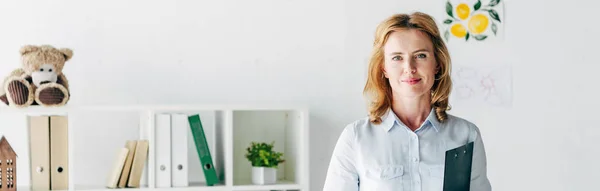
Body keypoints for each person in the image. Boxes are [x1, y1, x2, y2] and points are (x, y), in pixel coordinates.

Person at [322, 12, 492, 191]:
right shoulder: (355, 138)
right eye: (397, 58)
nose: (409, 68)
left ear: (437, 64)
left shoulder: (466, 136)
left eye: (420, 56)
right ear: (384, 68)